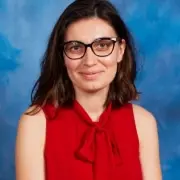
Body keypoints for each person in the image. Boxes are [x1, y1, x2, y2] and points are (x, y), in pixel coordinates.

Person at [15, 0, 162, 179]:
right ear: (62, 56)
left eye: (103, 45)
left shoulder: (143, 123)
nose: (90, 61)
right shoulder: (36, 123)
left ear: (120, 50)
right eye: (76, 48)